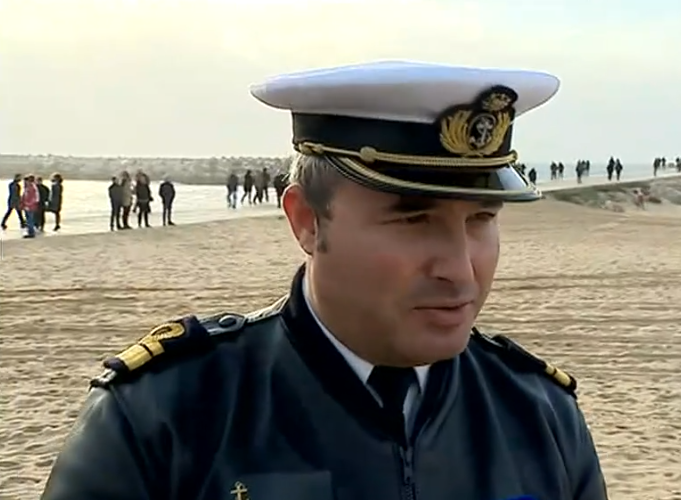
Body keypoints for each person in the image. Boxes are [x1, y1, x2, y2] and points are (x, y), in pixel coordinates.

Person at [40, 61, 607, 500]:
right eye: (413, 219)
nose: (460, 269)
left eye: (481, 219)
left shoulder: (539, 415)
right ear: (307, 220)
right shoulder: (165, 415)